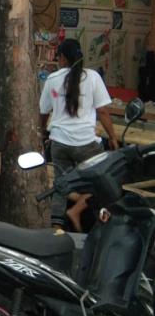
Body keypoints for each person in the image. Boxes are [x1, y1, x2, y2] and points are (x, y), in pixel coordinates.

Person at [40, 38, 118, 232]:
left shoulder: (52, 79)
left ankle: (56, 228)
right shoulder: (92, 77)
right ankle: (92, 220)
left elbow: (43, 112)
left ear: (63, 58)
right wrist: (113, 138)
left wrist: (42, 133)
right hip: (86, 144)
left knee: (60, 184)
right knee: (102, 182)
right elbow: (103, 112)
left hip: (59, 143)